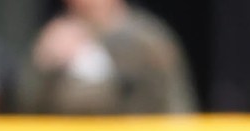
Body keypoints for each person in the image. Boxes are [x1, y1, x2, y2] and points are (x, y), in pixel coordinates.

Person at [20, 0, 196, 114]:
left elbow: (176, 108)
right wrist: (44, 64)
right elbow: (26, 105)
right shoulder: (53, 38)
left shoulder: (147, 42)